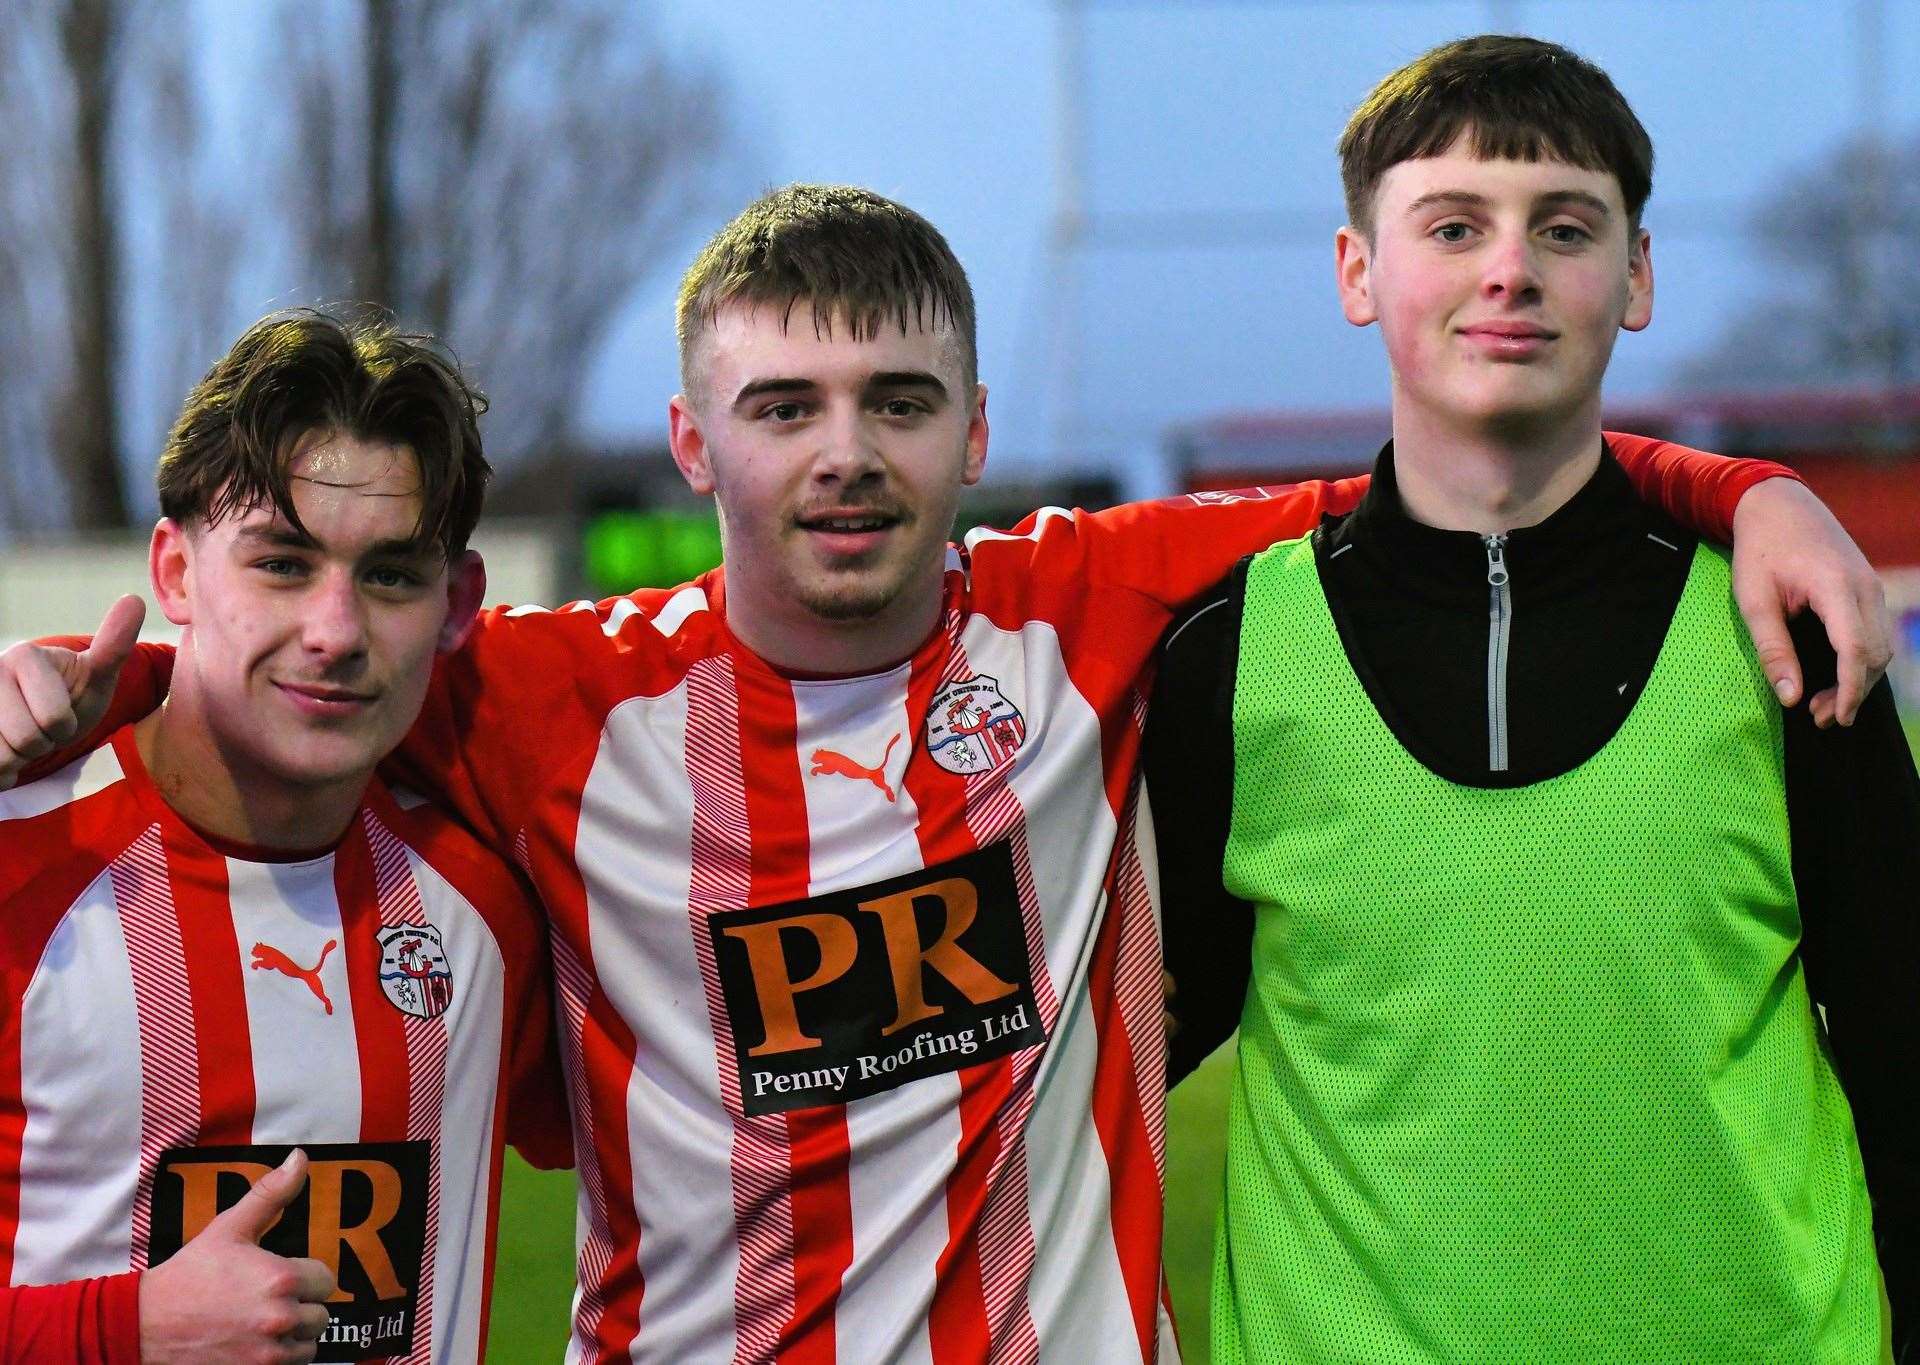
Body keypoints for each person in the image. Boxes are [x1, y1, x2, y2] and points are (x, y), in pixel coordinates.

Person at [0, 186, 1893, 1362]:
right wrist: (100, 693)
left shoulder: (1094, 606)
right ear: (691, 443)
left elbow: (1465, 484)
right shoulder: (539, 702)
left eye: (899, 403)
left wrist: (1745, 488)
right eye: (784, 409)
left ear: (973, 429)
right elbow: (301, 657)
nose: (847, 456)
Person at [1147, 35, 1920, 1363]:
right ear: (1356, 272)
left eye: (1565, 226)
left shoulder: (1776, 631)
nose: (1509, 267)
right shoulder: (1230, 651)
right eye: (1452, 225)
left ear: (1636, 277)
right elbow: (1110, 1060)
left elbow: (1908, 1048)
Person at [0, 310, 566, 1363]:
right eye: (282, 563)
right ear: (175, 574)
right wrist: (126, 1333)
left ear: (458, 606)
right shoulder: (21, 872)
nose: (336, 632)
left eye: (392, 575)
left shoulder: (490, 911)